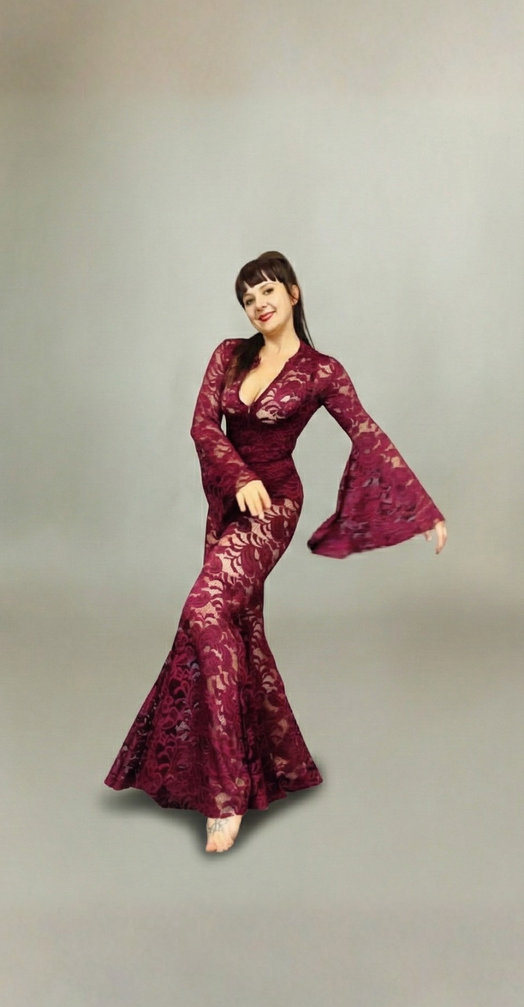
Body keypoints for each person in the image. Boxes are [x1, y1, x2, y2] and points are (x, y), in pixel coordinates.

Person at [105, 251, 446, 853]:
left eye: (266, 291)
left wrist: (420, 510)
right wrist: (237, 477)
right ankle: (283, 761)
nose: (258, 304)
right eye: (247, 297)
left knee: (206, 613)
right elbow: (202, 426)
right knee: (242, 629)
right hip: (228, 501)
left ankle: (228, 793)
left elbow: (366, 432)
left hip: (275, 506)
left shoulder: (321, 371)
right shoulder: (228, 355)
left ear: (293, 292)